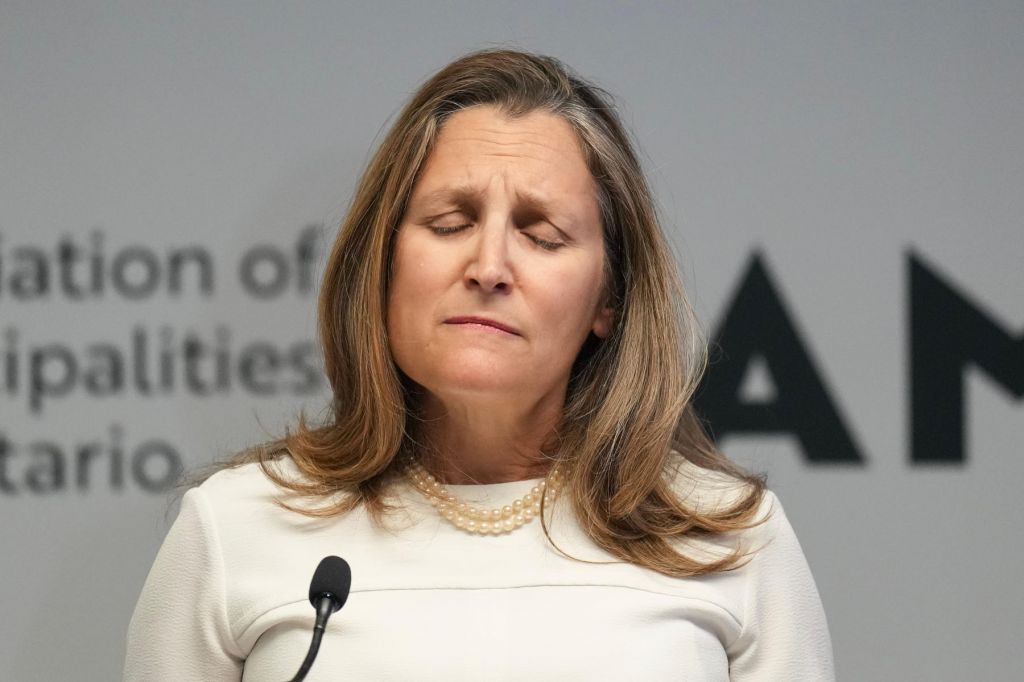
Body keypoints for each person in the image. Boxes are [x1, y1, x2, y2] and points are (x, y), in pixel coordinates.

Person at [124, 49, 834, 681]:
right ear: (383, 264)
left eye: (542, 235)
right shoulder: (235, 527)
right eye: (450, 224)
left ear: (608, 299)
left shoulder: (728, 539)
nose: (489, 266)